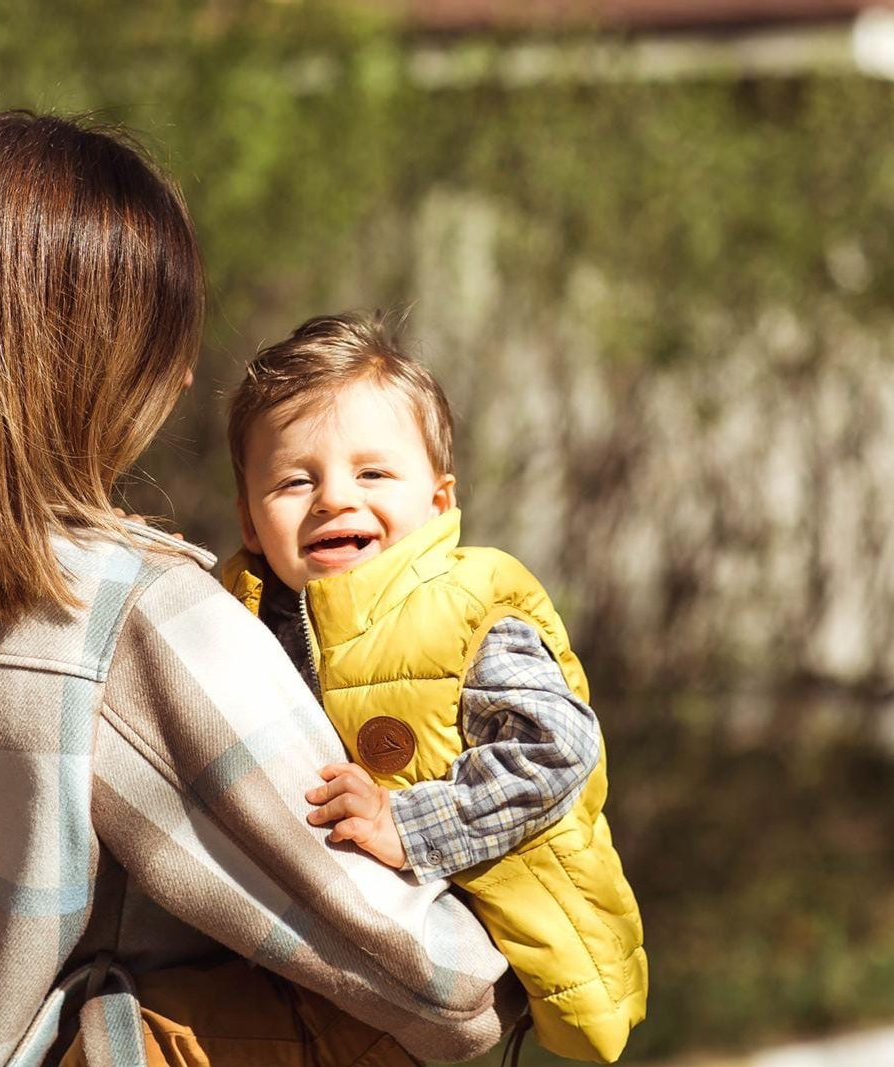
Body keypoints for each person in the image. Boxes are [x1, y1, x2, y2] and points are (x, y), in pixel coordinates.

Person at [0, 112, 521, 1067]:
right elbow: (428, 979)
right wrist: (528, 959)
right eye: (160, 343)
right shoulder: (130, 611)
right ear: (90, 360)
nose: (185, 375)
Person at [219, 312, 648, 1063]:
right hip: (327, 945)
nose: (332, 499)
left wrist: (409, 825)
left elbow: (558, 746)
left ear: (439, 503)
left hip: (489, 951)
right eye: (294, 479)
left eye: (372, 472)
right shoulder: (243, 606)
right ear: (251, 523)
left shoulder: (467, 606)